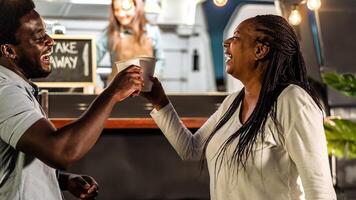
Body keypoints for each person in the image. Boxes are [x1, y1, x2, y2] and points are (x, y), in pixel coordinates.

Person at [143, 15, 337, 200]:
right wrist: (160, 101)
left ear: (259, 50)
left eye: (236, 37)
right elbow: (191, 149)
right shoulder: (232, 103)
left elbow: (319, 189)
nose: (226, 44)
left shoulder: (292, 101)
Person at [0, 0, 144, 199]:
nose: (51, 41)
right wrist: (112, 93)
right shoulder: (5, 91)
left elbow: (13, 160)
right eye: (39, 37)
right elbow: (61, 152)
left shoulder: (15, 87)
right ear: (9, 51)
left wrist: (62, 179)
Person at [96, 0, 164, 88]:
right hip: (117, 94)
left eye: (125, 8)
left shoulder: (152, 31)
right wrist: (98, 86)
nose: (120, 14)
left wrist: (154, 77)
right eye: (116, 10)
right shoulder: (109, 33)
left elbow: (161, 60)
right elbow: (90, 63)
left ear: (137, 6)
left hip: (146, 93)